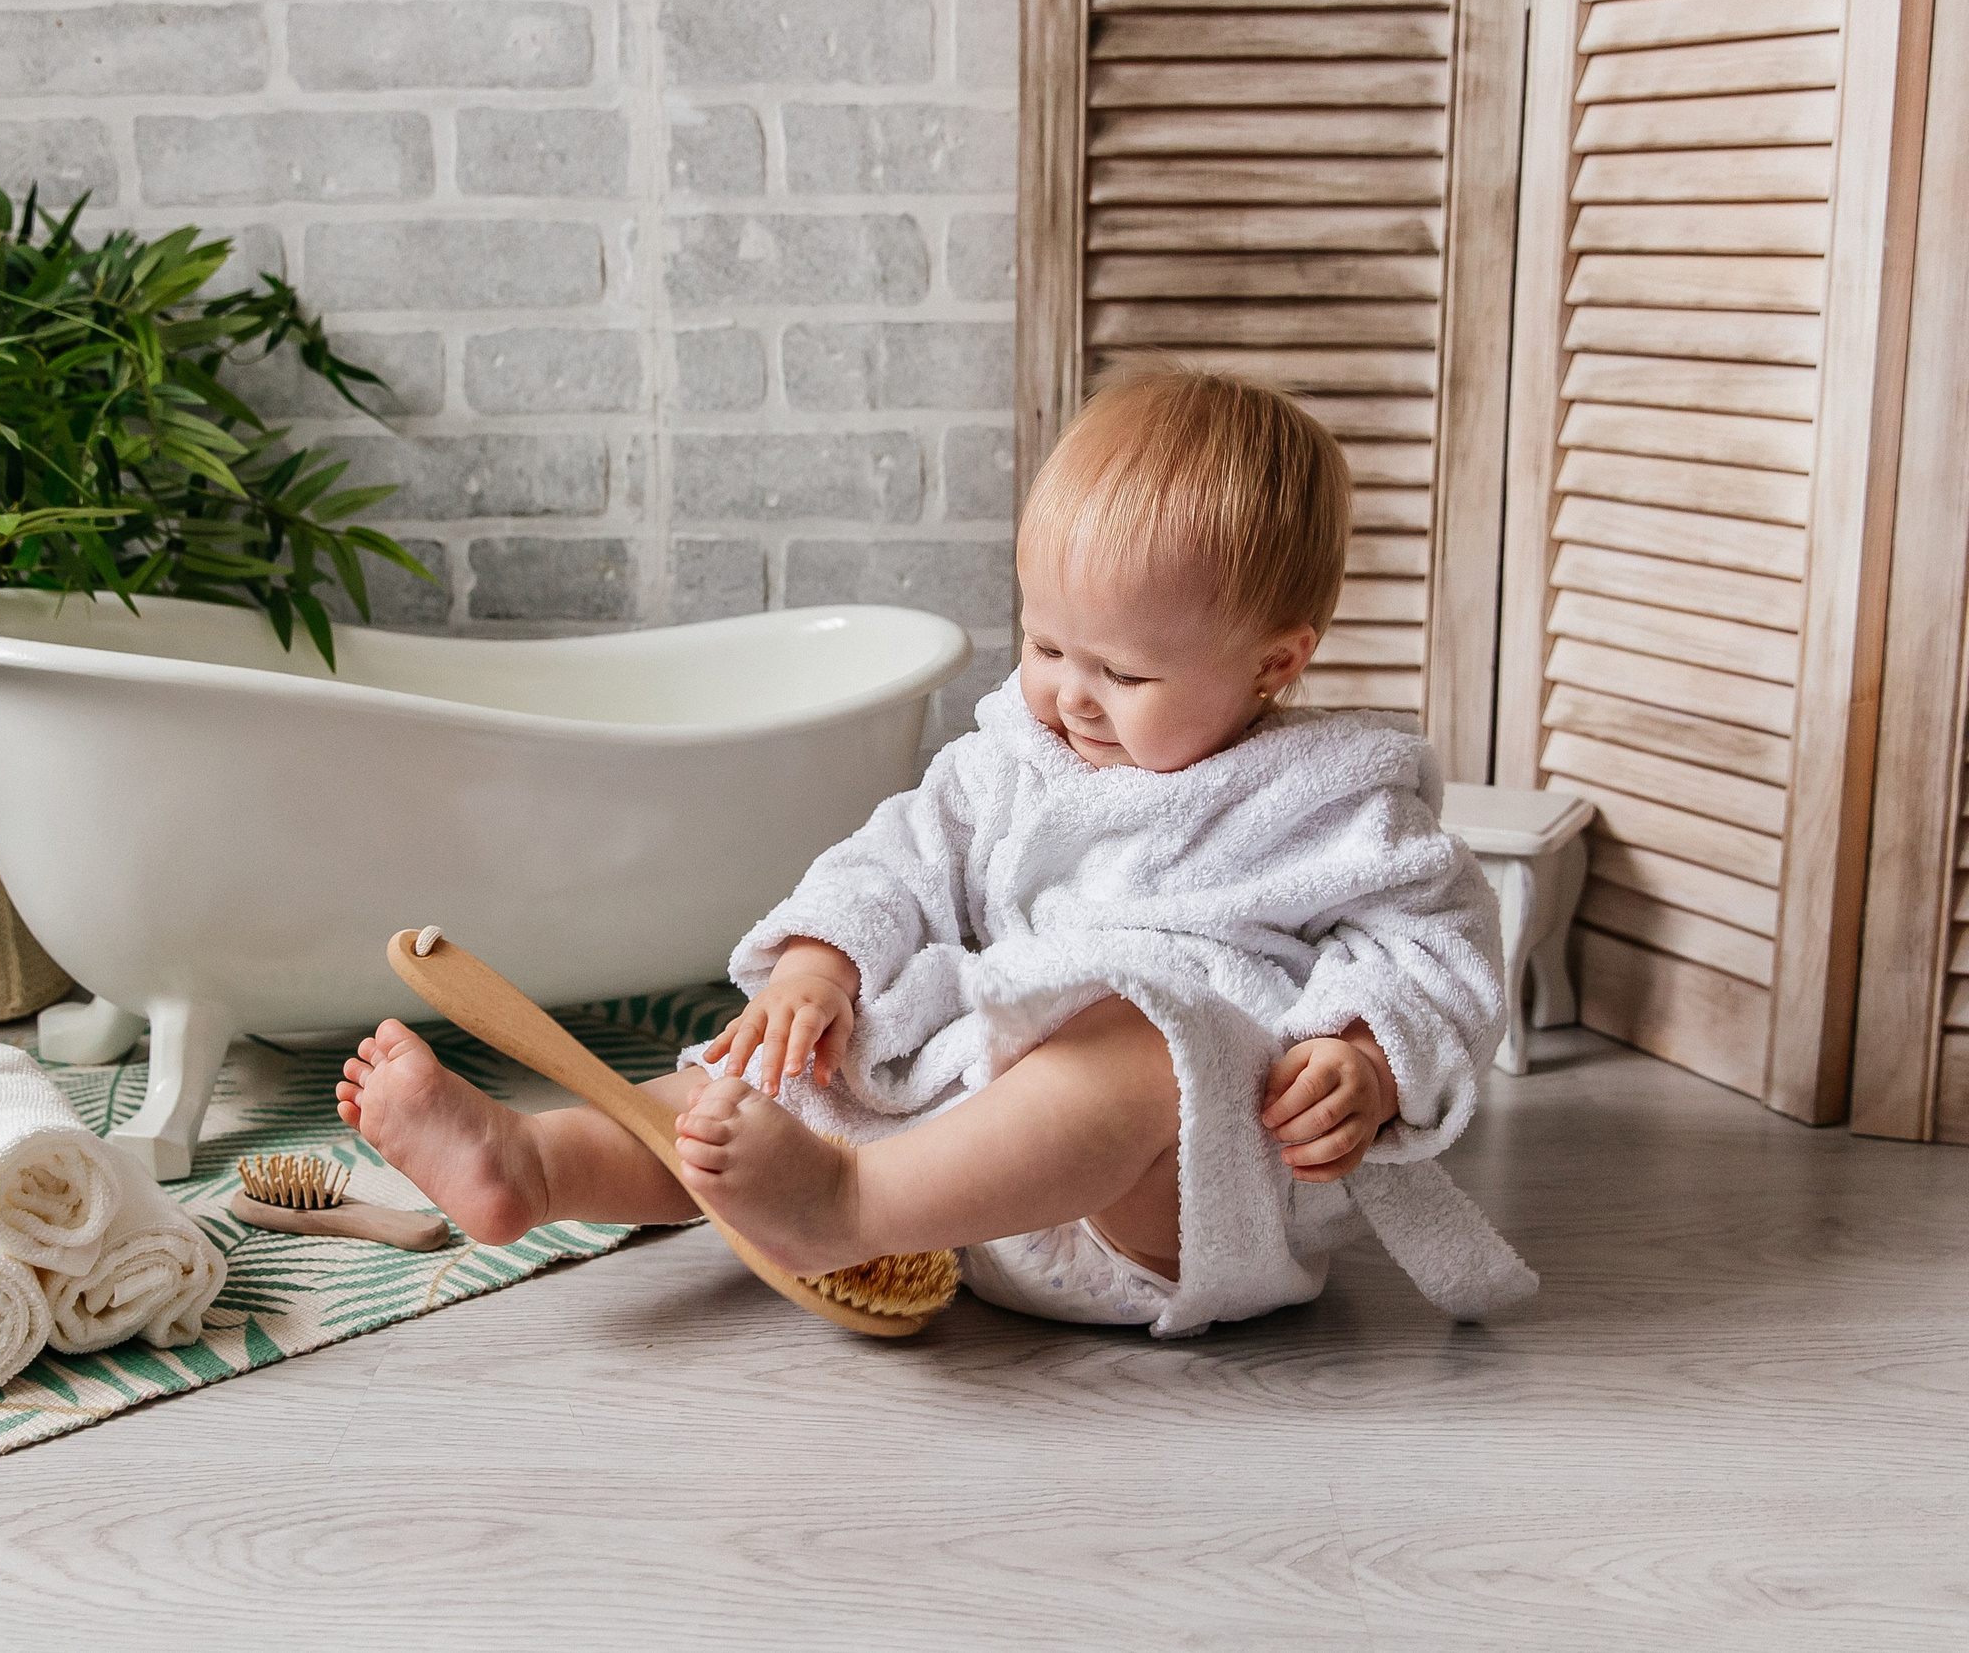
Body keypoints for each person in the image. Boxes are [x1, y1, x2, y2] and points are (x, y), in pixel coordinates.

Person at [337, 368, 1534, 1337]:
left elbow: (1437, 949)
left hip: (1167, 1207)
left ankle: (844, 1201)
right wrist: (818, 968)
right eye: (1046, 645)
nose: (1072, 694)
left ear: (1275, 662)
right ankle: (539, 1165)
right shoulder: (1010, 759)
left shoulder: (1335, 802)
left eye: (1123, 671)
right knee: (783, 1064)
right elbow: (892, 861)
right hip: (962, 1176)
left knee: (1148, 1037)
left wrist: (1366, 1058)